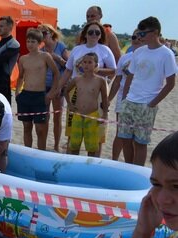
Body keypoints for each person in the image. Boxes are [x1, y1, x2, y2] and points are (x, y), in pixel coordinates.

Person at [118, 16, 177, 167]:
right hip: (130, 101)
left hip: (147, 104)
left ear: (155, 32)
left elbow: (170, 83)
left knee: (140, 142)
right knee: (125, 138)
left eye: (143, 34)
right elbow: (130, 76)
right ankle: (128, 169)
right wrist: (125, 98)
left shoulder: (166, 54)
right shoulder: (138, 52)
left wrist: (152, 103)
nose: (139, 37)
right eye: (138, 34)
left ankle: (136, 171)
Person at [58, 21, 116, 154]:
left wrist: (95, 70)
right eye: (91, 32)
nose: (94, 35)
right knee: (73, 133)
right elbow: (68, 70)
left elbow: (114, 70)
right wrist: (57, 88)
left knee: (97, 135)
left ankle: (94, 165)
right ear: (85, 34)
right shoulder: (77, 49)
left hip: (97, 93)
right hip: (76, 92)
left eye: (97, 32)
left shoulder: (105, 50)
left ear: (101, 35)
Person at [15, 28, 59, 151]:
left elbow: (56, 73)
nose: (30, 44)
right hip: (26, 95)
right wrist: (18, 92)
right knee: (27, 126)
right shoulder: (23, 58)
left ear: (40, 43)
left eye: (33, 41)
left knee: (40, 129)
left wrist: (52, 93)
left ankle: (41, 152)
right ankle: (28, 152)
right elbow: (21, 77)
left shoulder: (45, 56)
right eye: (28, 41)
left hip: (40, 95)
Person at [63, 53, 108, 157]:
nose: (86, 65)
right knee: (74, 145)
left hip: (92, 116)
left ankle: (90, 168)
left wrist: (105, 114)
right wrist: (70, 104)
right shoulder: (77, 79)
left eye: (90, 62)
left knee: (92, 147)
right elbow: (65, 91)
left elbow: (105, 100)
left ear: (96, 64)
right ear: (81, 64)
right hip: (77, 115)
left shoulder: (100, 81)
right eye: (84, 62)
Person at [108, 31, 143, 161]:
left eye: (140, 37)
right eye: (134, 37)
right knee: (121, 133)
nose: (136, 39)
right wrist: (109, 99)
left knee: (136, 136)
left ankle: (133, 164)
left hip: (140, 99)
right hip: (123, 97)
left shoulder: (146, 58)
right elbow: (117, 80)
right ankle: (114, 160)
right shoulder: (125, 58)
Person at [38, 23, 69, 152]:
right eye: (41, 33)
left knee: (57, 116)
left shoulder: (60, 46)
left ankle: (56, 145)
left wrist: (58, 58)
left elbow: (69, 66)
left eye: (44, 33)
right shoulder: (41, 50)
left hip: (58, 85)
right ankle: (43, 146)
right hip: (44, 85)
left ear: (51, 33)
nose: (43, 36)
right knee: (44, 117)